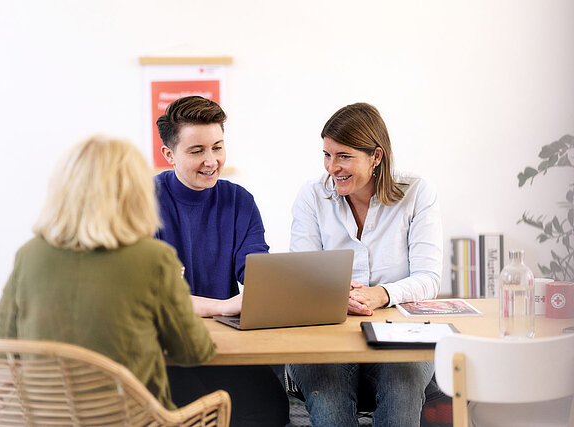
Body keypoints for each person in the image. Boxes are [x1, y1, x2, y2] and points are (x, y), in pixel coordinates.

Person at [0, 135, 216, 410]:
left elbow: (3, 347)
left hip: (46, 418)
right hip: (131, 419)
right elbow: (194, 351)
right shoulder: (154, 259)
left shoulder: (29, 255)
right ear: (135, 193)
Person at [286, 103, 443, 427]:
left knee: (403, 381)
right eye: (327, 155)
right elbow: (301, 276)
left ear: (376, 157)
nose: (332, 167)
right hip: (327, 332)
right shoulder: (312, 196)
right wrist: (334, 296)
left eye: (344, 156)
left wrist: (380, 294)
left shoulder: (417, 193)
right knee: (326, 393)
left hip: (399, 332)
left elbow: (428, 277)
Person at [154, 96, 289, 427]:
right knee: (198, 416)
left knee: (271, 412)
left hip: (225, 344)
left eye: (217, 147)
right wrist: (226, 305)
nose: (211, 160)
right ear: (169, 155)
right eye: (197, 151)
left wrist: (263, 292)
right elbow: (153, 300)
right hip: (166, 349)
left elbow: (257, 273)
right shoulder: (143, 202)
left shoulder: (239, 201)